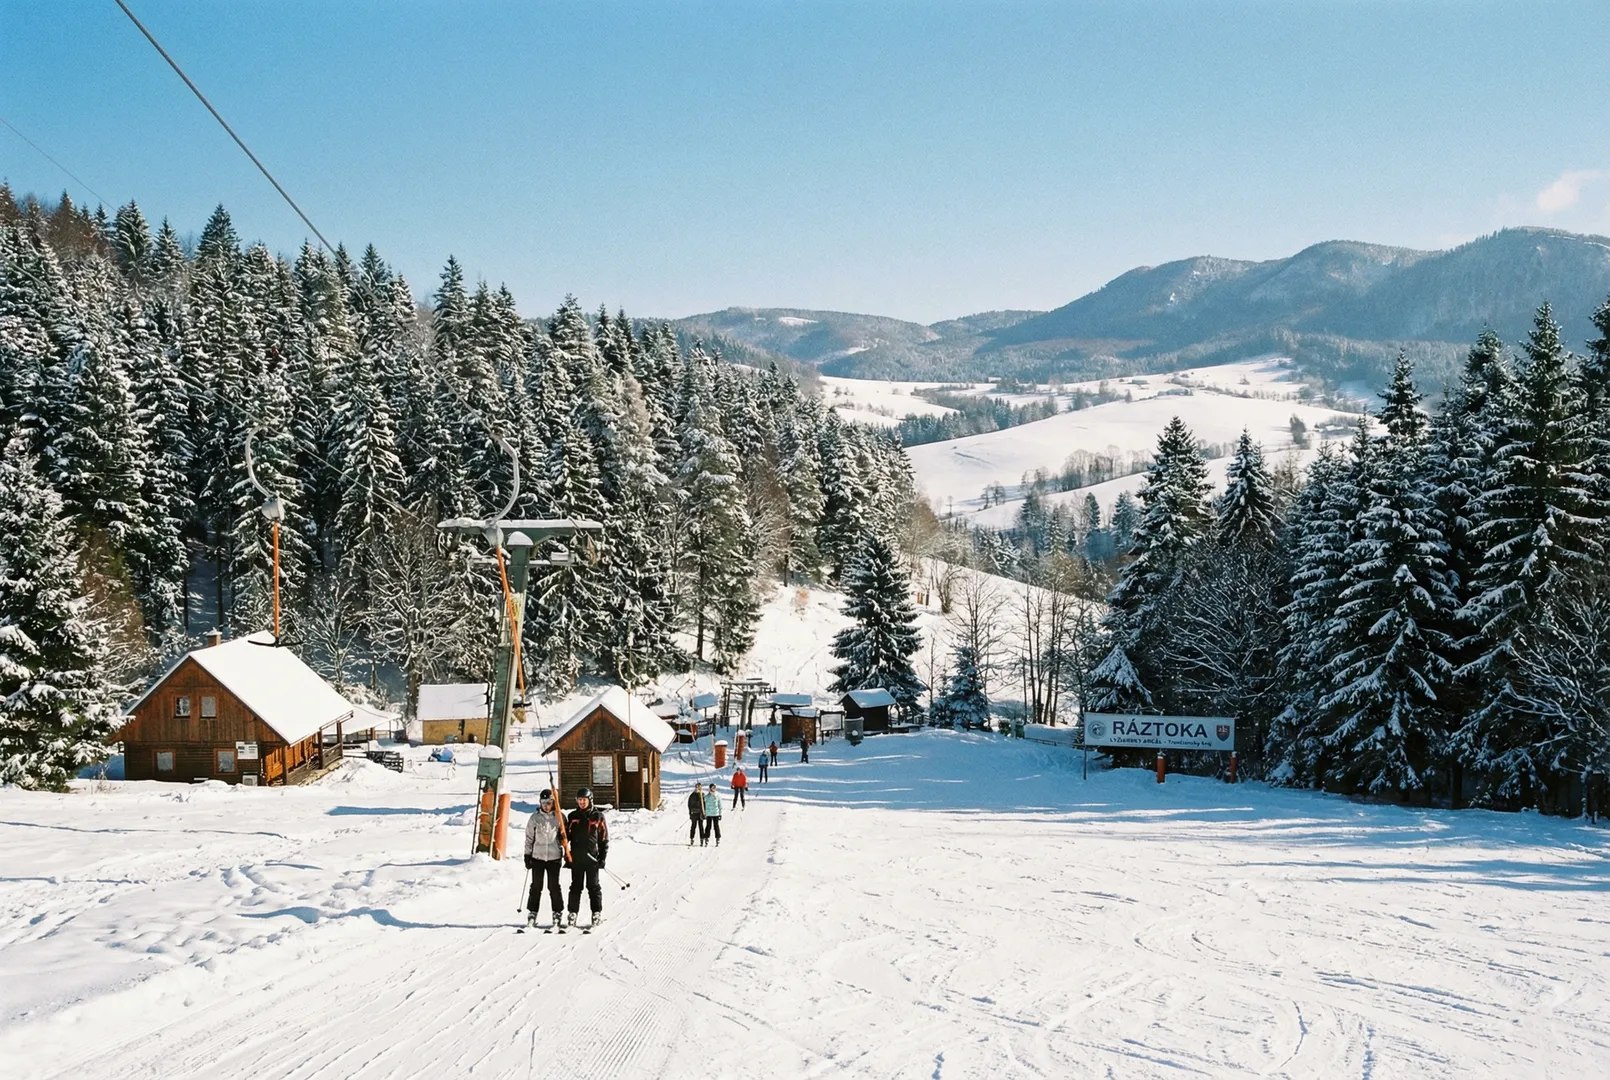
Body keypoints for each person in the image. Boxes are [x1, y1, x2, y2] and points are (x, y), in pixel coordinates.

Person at [564, 786, 609, 928]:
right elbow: (566, 836)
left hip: (592, 859)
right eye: (579, 800)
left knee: (593, 887)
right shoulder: (573, 816)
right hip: (576, 858)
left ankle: (596, 913)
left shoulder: (598, 817)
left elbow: (604, 839)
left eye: (584, 800)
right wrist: (563, 838)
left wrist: (602, 858)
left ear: (590, 800)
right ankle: (572, 913)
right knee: (575, 887)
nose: (581, 803)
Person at [524, 789, 566, 928]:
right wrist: (527, 855)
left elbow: (567, 835)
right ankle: (532, 912)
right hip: (538, 857)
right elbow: (529, 838)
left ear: (553, 803)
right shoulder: (534, 818)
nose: (546, 806)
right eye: (543, 803)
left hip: (554, 857)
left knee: (553, 886)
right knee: (536, 886)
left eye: (548, 803)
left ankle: (557, 912)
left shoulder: (559, 817)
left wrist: (564, 840)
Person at [701, 781, 723, 846]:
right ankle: (706, 838)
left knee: (716, 826)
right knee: (708, 826)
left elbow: (720, 805)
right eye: (712, 788)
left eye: (714, 788)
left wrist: (720, 814)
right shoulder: (707, 797)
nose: (713, 789)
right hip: (709, 814)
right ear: (710, 788)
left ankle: (718, 838)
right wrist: (703, 813)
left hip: (716, 814)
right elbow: (703, 804)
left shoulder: (717, 796)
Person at [687, 781, 705, 846]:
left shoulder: (702, 795)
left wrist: (704, 812)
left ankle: (702, 839)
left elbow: (704, 804)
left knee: (701, 827)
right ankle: (692, 838)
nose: (698, 788)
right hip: (694, 813)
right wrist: (690, 812)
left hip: (700, 813)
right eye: (697, 787)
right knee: (693, 826)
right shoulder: (692, 795)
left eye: (700, 787)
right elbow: (689, 804)